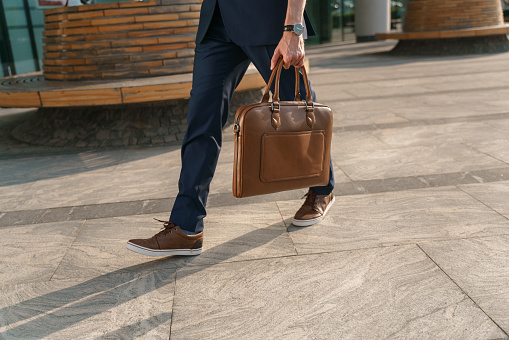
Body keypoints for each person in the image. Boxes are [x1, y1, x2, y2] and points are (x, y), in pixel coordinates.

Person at [126, 0, 335, 257]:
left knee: (300, 109)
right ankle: (186, 227)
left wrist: (294, 27)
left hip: (269, 20)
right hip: (216, 22)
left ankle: (323, 189)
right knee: (201, 120)